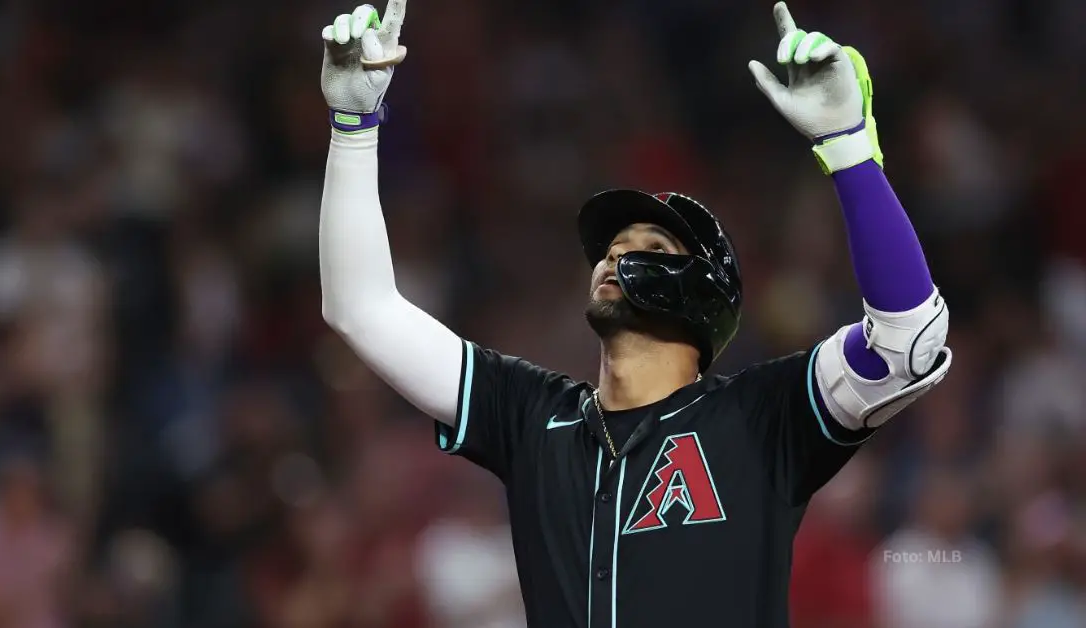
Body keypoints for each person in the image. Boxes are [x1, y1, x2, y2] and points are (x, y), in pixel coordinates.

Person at [317, 2, 952, 626]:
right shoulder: (530, 414)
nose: (615, 257)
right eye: (611, 249)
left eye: (649, 247)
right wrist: (353, 124)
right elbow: (361, 309)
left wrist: (847, 149)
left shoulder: (761, 418)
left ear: (705, 291)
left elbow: (908, 339)